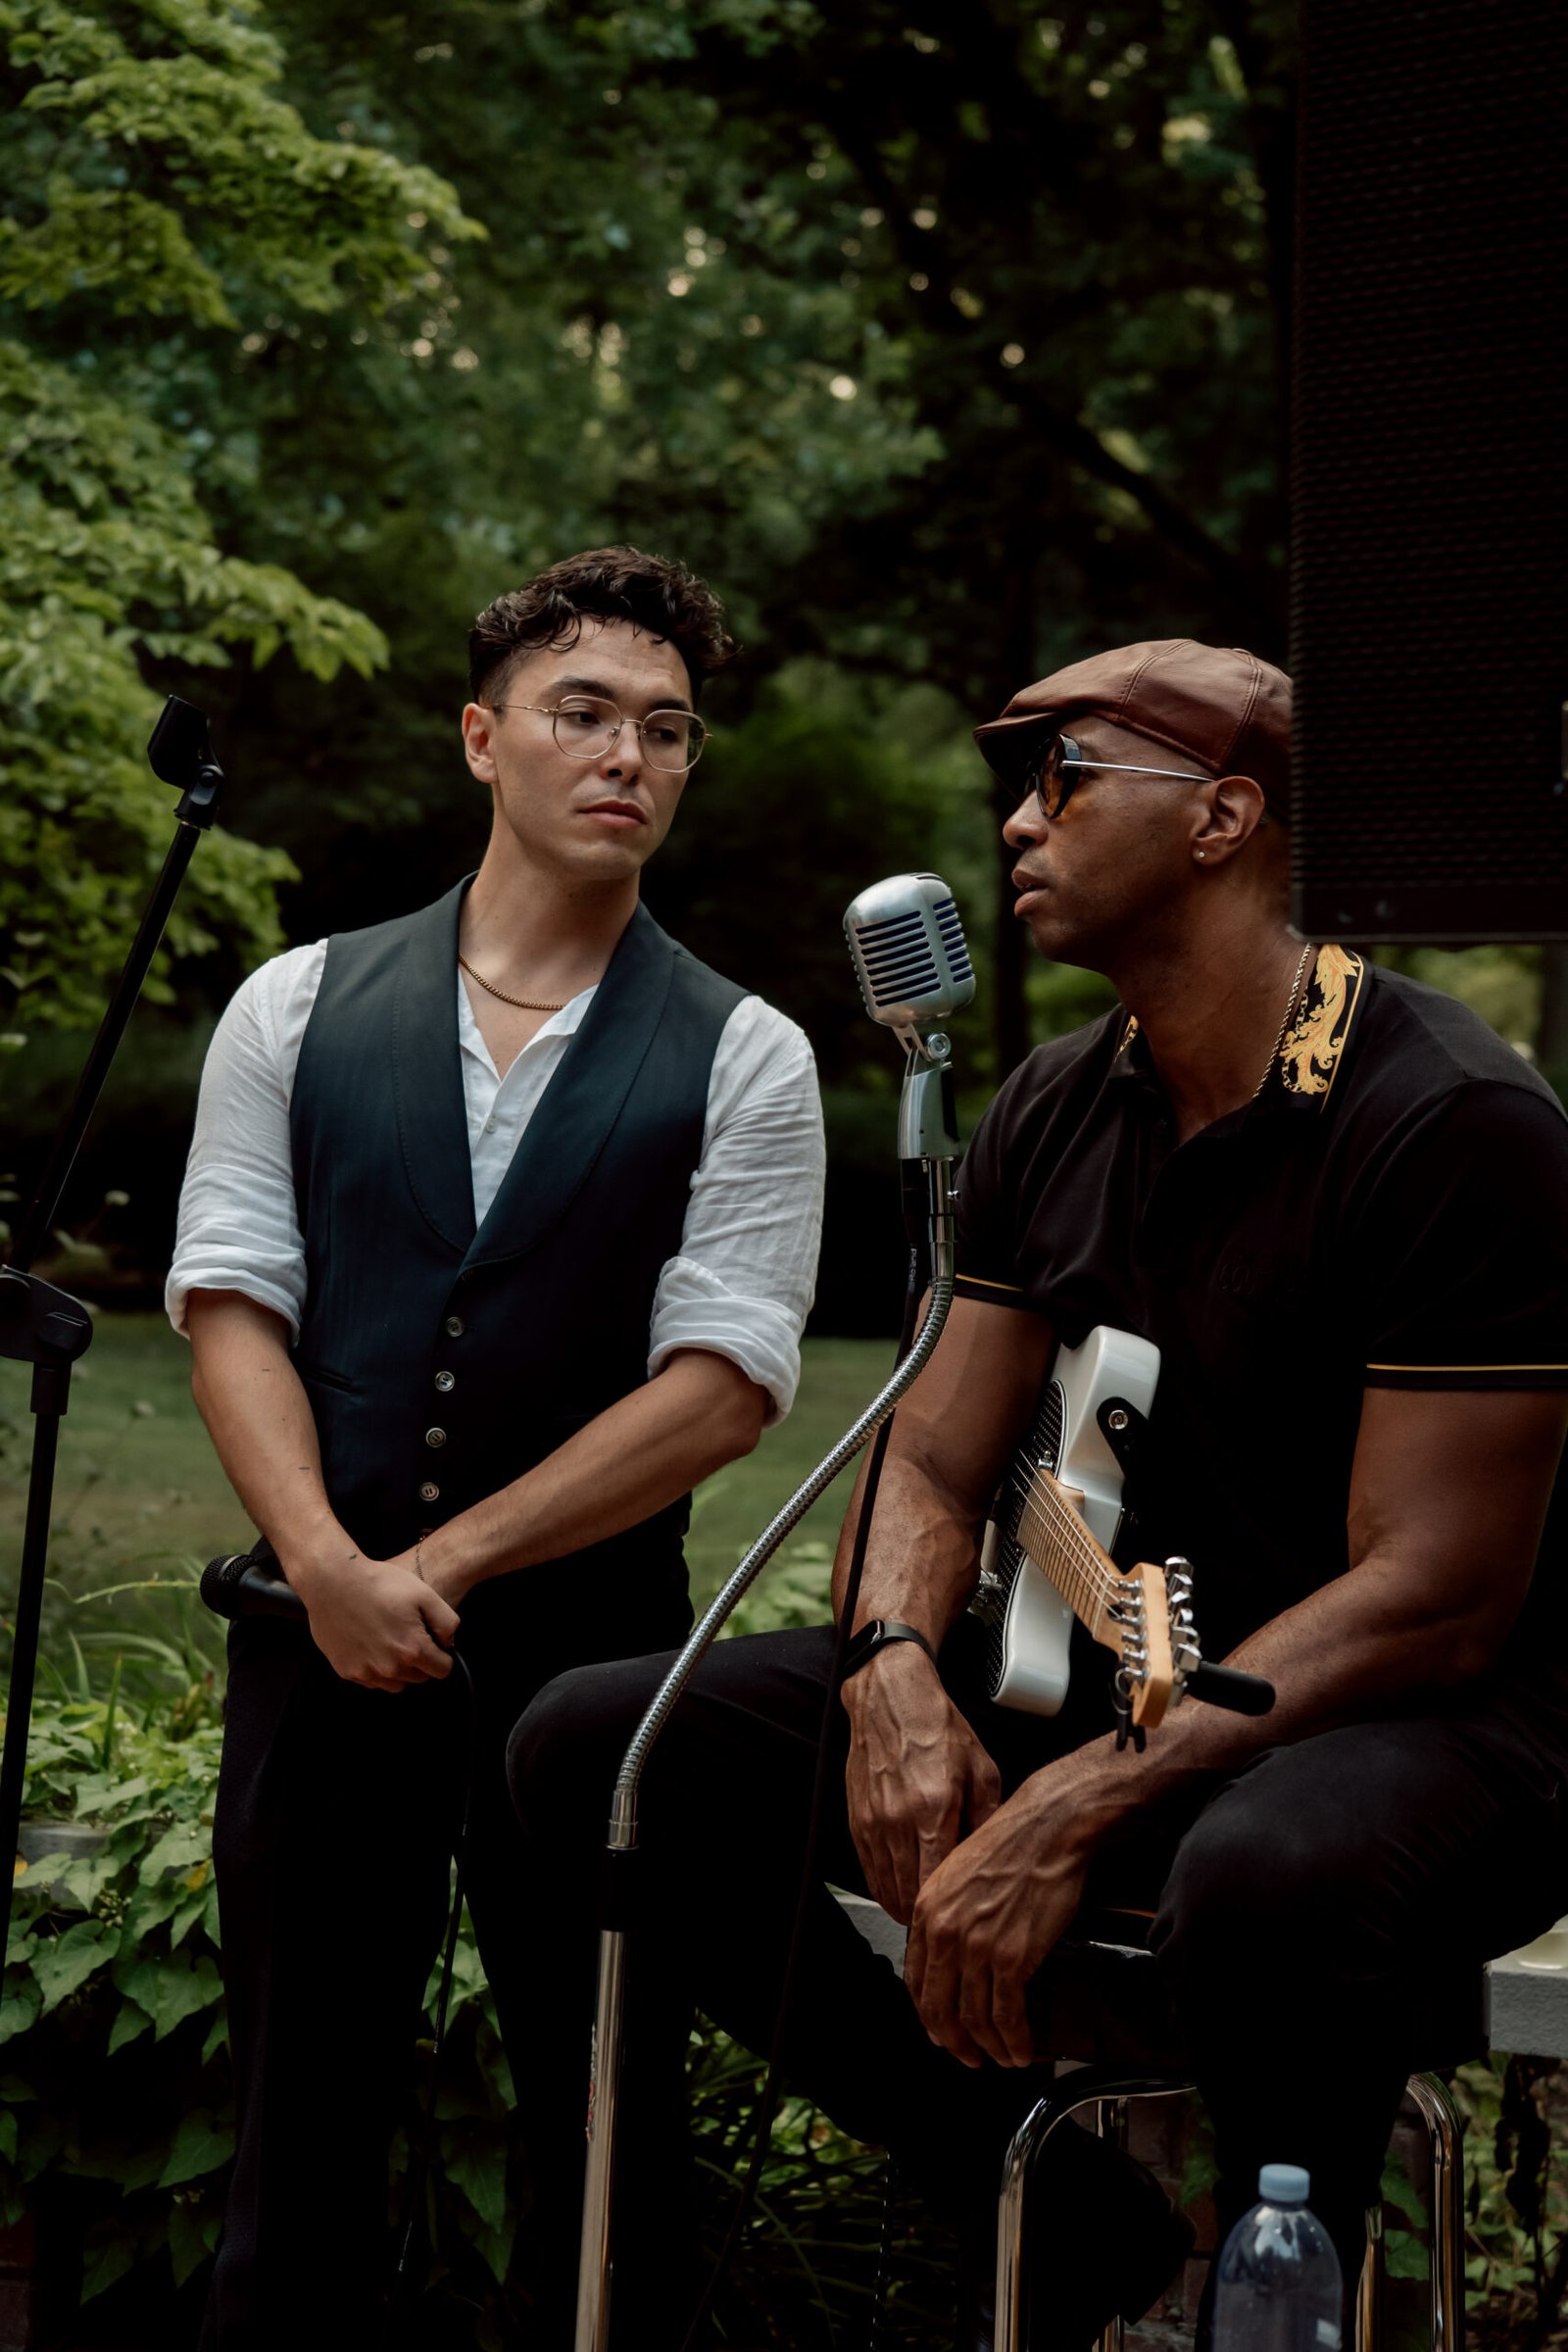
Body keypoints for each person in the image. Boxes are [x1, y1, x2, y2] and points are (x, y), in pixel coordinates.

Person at [510, 639, 1568, 2348]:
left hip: (1421, 1726)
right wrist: (892, 1680)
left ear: (1226, 817)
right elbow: (929, 1449)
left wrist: (1070, 1807)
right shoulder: (1059, 1101)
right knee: (603, 1748)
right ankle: (1067, 2214)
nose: (1017, 821)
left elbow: (1439, 1590)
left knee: (1266, 1875)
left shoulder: (1448, 1121)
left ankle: (1271, 2294)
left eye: (1066, 778)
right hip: (1091, 1672)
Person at [167, 546, 825, 2350]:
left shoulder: (750, 1052)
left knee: (611, 2156)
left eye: (666, 730)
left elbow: (726, 1381)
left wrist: (436, 1573)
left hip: (593, 1672)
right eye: (584, 714)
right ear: (484, 739)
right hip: (317, 1647)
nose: (628, 755)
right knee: (293, 2148)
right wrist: (324, 1568)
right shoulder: (295, 1006)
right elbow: (230, 1294)